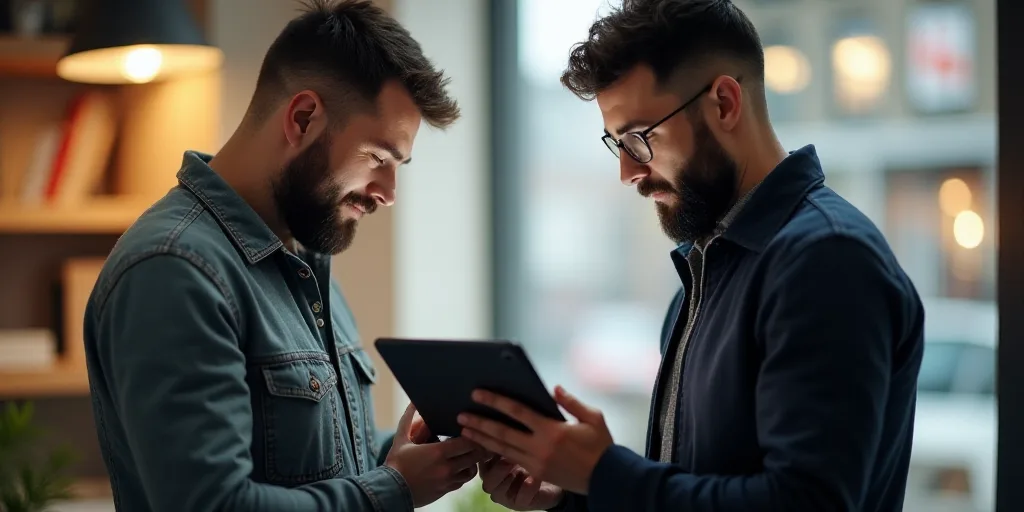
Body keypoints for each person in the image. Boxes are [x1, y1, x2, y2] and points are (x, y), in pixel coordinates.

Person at [460, 0, 925, 510]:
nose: (629, 173)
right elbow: (694, 488)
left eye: (640, 138)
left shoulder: (827, 259)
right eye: (617, 144)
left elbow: (806, 503)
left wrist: (605, 474)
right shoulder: (706, 267)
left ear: (724, 103)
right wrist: (575, 494)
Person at [82, 1, 487, 510]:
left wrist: (417, 454)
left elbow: (314, 466)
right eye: (377, 158)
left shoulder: (305, 261)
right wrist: (395, 488)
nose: (387, 193)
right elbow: (215, 505)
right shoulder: (172, 271)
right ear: (303, 118)